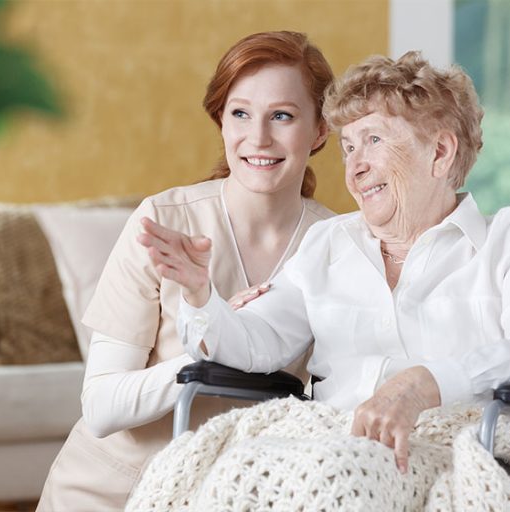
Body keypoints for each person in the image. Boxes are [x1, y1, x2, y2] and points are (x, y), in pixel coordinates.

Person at [140, 50, 510, 476]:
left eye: (374, 141)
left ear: (439, 152)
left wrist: (426, 382)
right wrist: (200, 294)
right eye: (348, 147)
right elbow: (257, 340)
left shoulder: (507, 237)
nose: (355, 168)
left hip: (454, 452)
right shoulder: (328, 242)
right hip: (331, 448)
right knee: (206, 474)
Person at [37, 30, 335, 511]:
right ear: (221, 120)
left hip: (241, 495)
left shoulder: (337, 245)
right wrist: (210, 356)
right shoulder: (164, 222)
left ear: (320, 129)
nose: (257, 138)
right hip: (114, 491)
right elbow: (101, 406)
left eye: (282, 116)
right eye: (240, 114)